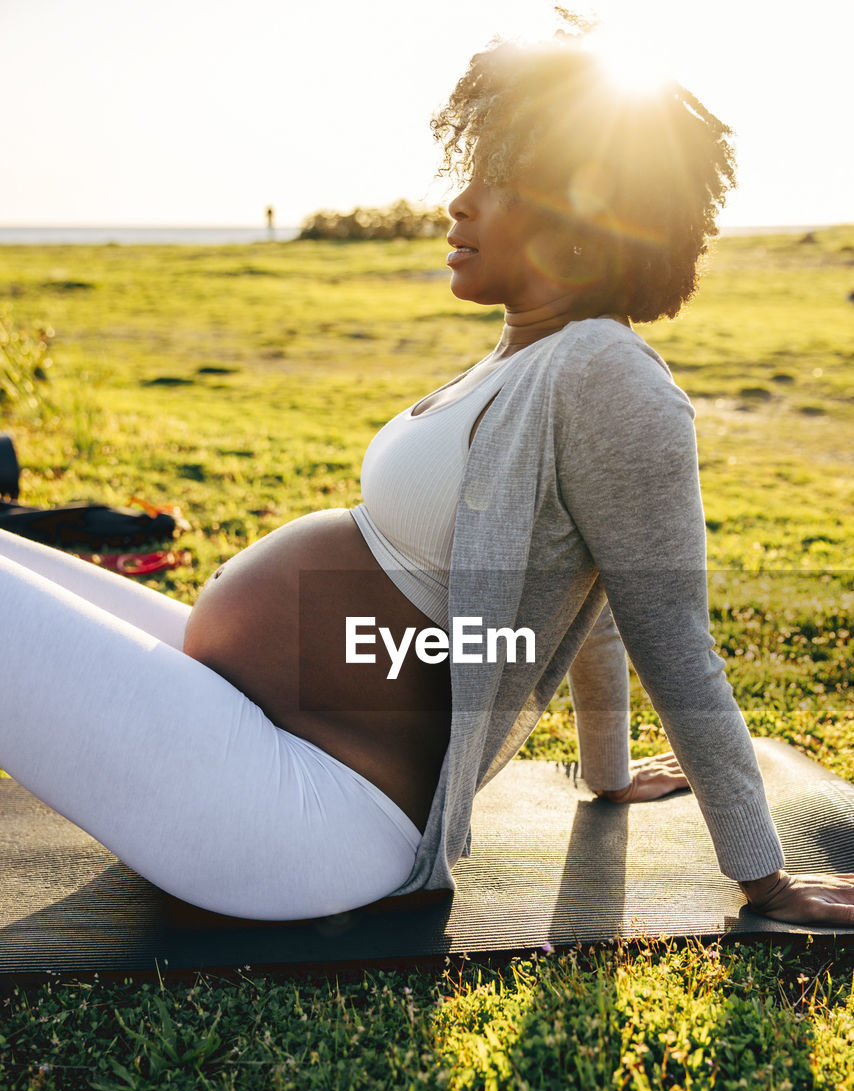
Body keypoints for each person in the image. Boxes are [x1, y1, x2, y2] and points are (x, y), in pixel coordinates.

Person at [1, 33, 851, 927]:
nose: (458, 202)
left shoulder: (606, 371)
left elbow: (668, 632)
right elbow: (573, 584)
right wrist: (605, 774)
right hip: (268, 736)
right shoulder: (527, 358)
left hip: (307, 815)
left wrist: (769, 881)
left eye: (499, 184)